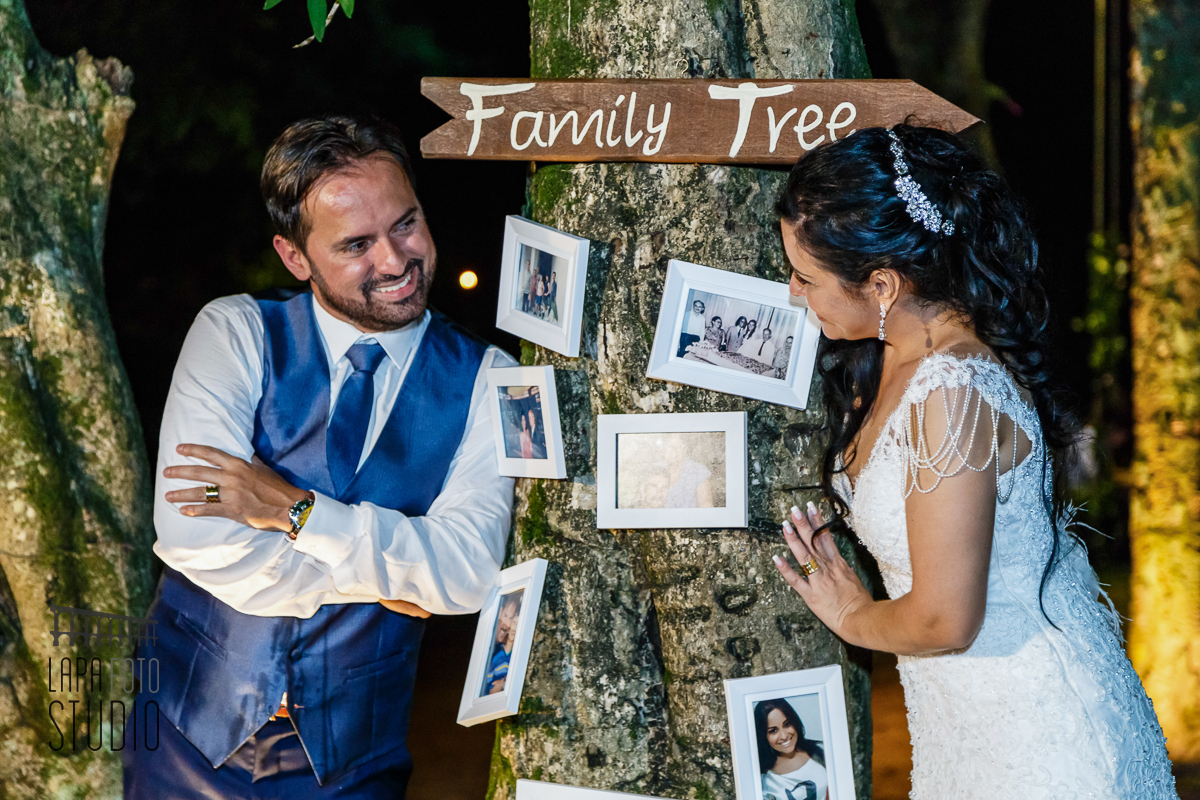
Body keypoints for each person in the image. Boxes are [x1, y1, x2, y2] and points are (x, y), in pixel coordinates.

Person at [770, 125, 1175, 797]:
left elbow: (944, 619)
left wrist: (851, 616)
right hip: (966, 728)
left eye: (807, 278)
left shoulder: (951, 392)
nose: (793, 293)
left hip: (1037, 741)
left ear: (881, 285)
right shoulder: (899, 353)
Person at [125, 116, 517, 799]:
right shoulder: (234, 332)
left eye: (406, 223)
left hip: (353, 763)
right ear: (295, 257)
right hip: (185, 736)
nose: (395, 261)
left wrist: (294, 511)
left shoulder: (490, 380)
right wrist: (390, 581)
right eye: (358, 244)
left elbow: (470, 573)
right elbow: (191, 533)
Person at [755, 699, 829, 800]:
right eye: (773, 731)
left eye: (787, 724)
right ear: (763, 736)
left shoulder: (821, 751)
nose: (784, 736)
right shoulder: (764, 779)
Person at [483, 591, 522, 695]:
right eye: (505, 616)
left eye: (511, 619)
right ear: (499, 612)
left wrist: (504, 682)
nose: (507, 624)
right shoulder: (489, 644)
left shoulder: (515, 653)